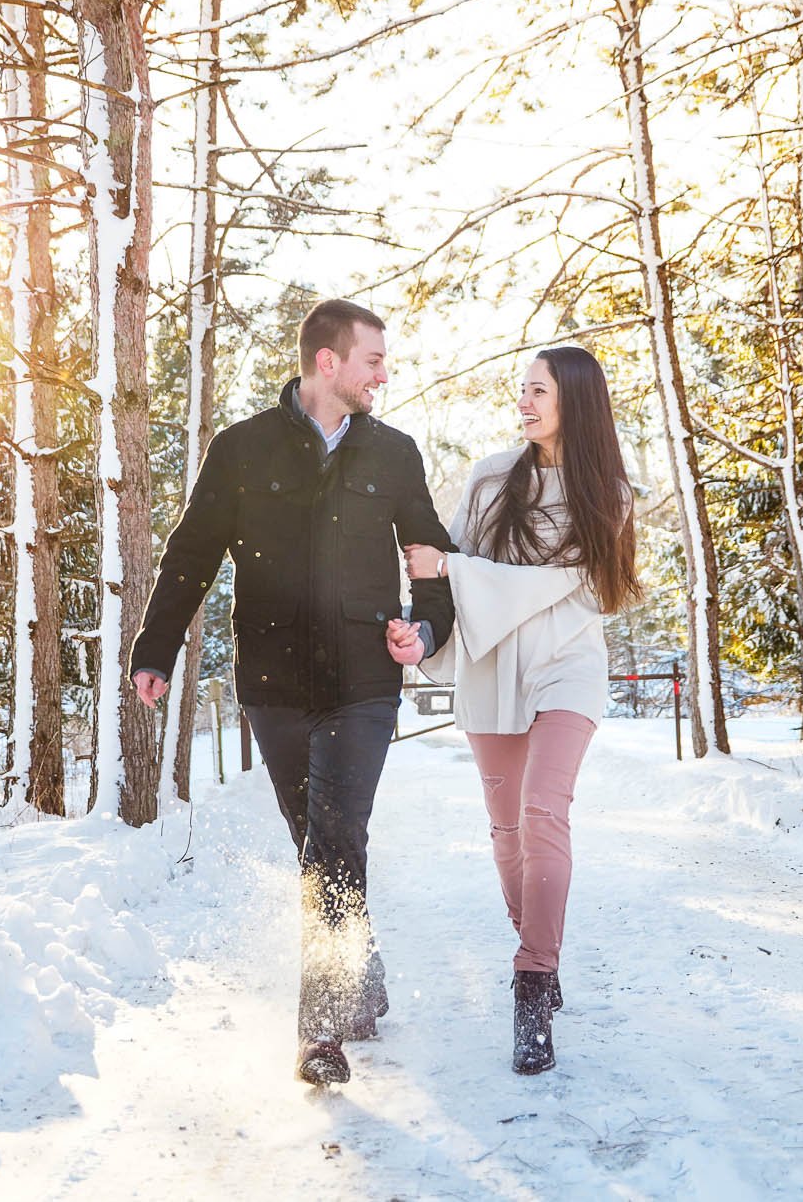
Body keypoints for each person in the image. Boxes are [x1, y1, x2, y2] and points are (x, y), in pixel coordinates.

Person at [129, 299, 455, 1087]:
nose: (385, 373)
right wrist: (157, 645)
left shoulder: (395, 453)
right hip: (272, 682)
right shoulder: (241, 449)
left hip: (363, 684)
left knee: (335, 838)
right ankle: (360, 974)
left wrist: (428, 630)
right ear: (327, 363)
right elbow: (192, 552)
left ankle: (320, 1032)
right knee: (315, 842)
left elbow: (431, 557)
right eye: (373, 359)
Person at [403, 346, 639, 1075]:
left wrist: (455, 569)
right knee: (506, 830)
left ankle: (532, 979)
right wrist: (425, 627)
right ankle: (537, 938)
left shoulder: (610, 495)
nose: (524, 402)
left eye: (537, 391)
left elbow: (571, 585)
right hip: (493, 668)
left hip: (567, 663)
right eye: (522, 390)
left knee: (543, 810)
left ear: (574, 400)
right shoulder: (488, 478)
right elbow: (452, 573)